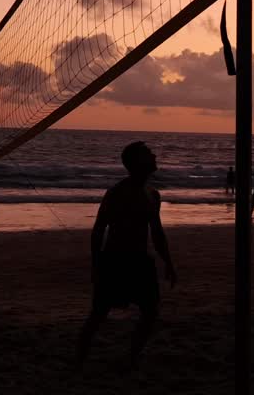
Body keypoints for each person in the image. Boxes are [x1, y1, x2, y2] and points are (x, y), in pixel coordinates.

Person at [76, 141, 177, 371]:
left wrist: (168, 262)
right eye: (148, 153)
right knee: (99, 314)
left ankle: (132, 357)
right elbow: (99, 229)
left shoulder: (153, 194)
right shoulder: (116, 193)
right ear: (137, 162)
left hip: (141, 262)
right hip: (115, 260)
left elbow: (157, 232)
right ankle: (80, 360)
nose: (153, 155)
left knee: (150, 312)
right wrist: (96, 264)